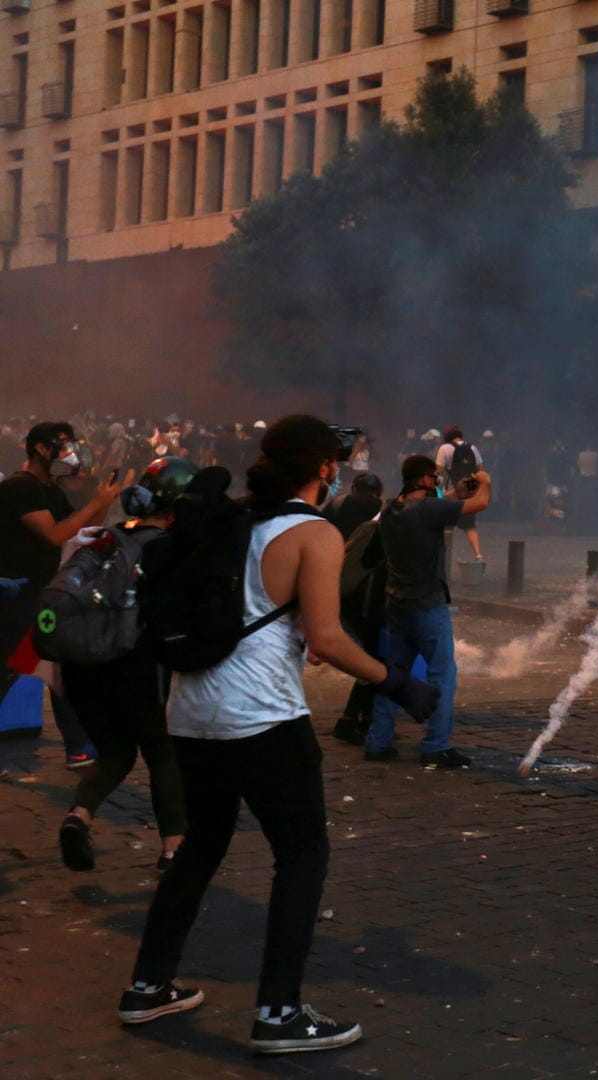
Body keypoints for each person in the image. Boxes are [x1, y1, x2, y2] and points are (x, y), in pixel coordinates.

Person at [120, 415, 440, 1054]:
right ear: (324, 468)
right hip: (262, 717)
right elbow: (325, 636)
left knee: (201, 846)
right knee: (301, 854)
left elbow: (263, 614)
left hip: (190, 712)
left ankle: (148, 986)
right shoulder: (312, 532)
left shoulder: (234, 520)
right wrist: (400, 684)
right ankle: (278, 1011)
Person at [56, 458, 195, 874]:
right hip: (135, 666)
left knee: (115, 752)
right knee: (162, 754)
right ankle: (174, 849)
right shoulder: (169, 549)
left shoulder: (101, 540)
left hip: (82, 667)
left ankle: (78, 816)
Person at [0, 421, 124, 770]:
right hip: (15, 595)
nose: (70, 452)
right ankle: (79, 745)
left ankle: (79, 747)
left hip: (41, 594)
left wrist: (105, 499)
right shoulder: (19, 487)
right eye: (64, 444)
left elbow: (81, 529)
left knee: (58, 668)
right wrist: (95, 503)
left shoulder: (49, 490)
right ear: (42, 448)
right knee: (10, 668)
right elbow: (54, 535)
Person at [362, 454, 491, 768]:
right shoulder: (429, 510)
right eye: (433, 478)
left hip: (396, 604)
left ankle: (377, 742)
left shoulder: (390, 509)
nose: (436, 483)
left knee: (393, 675)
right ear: (421, 480)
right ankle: (435, 745)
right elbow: (480, 504)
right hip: (427, 605)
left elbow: (428, 507)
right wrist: (484, 483)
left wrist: (454, 493)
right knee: (442, 676)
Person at [325, 473, 386, 745]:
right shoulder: (379, 513)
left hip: (334, 585)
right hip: (366, 595)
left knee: (367, 657)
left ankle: (359, 719)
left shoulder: (336, 505)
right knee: (374, 658)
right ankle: (354, 720)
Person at [435, 428, 484, 563]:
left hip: (451, 493)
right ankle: (478, 555)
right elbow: (481, 471)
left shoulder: (444, 448)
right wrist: (472, 488)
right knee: (469, 526)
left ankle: (442, 558)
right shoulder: (473, 448)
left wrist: (436, 492)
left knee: (445, 525)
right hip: (468, 494)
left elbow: (439, 473)